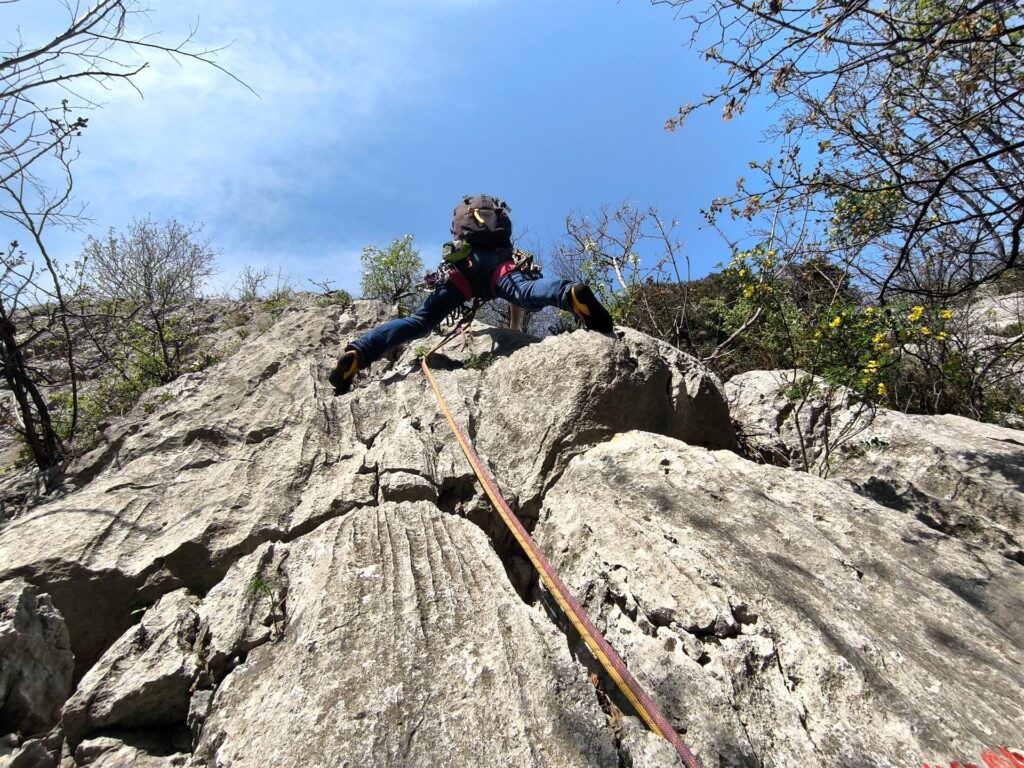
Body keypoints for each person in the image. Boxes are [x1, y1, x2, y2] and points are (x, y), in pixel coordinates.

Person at [328, 196, 613, 396]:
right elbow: (518, 296)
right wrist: (513, 331)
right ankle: (569, 293)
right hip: (498, 265)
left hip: (461, 268)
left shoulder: (464, 235)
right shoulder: (503, 248)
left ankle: (360, 352)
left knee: (420, 321)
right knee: (526, 290)